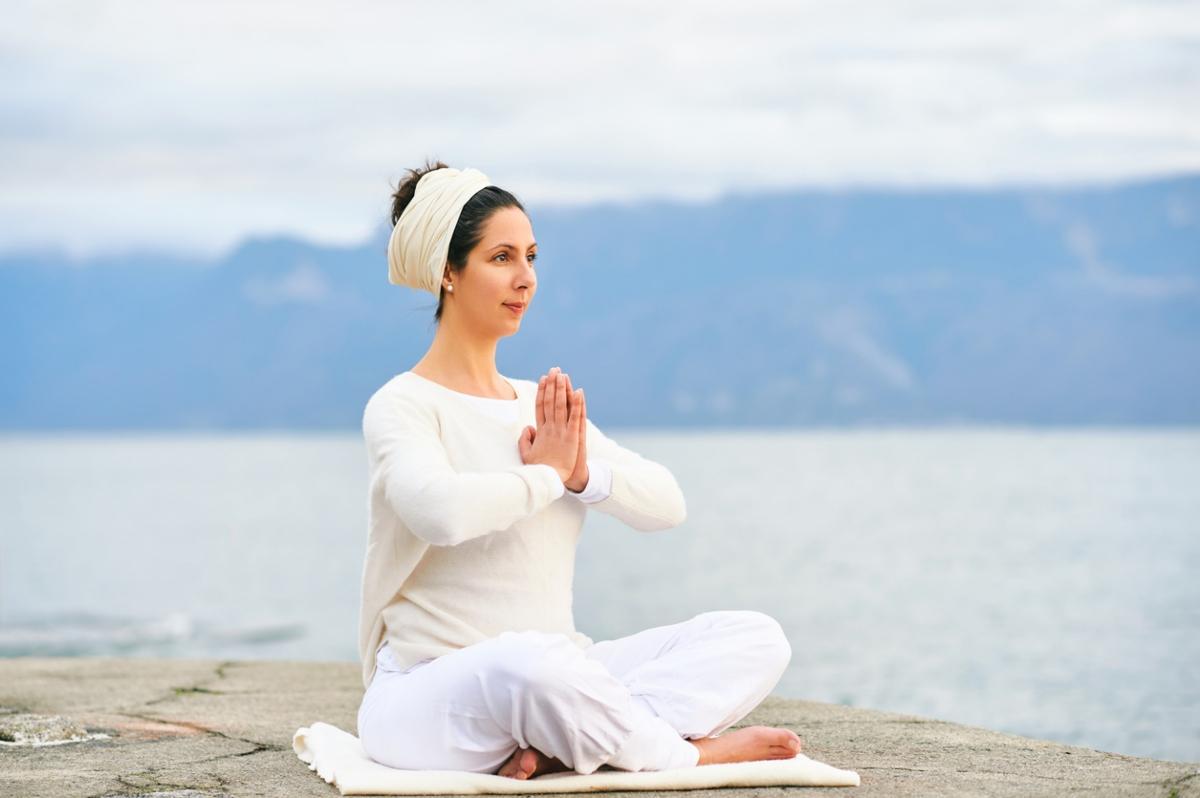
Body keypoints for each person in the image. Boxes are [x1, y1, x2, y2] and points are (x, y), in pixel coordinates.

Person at [355, 159, 804, 779]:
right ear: (446, 273)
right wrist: (544, 476)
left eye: (532, 257)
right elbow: (442, 513)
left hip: (561, 672)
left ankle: (571, 743)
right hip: (431, 697)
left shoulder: (539, 406)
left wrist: (579, 475)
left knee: (756, 636)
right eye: (502, 257)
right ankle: (683, 754)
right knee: (526, 665)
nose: (526, 278)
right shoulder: (403, 404)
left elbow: (667, 504)